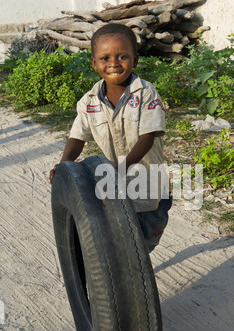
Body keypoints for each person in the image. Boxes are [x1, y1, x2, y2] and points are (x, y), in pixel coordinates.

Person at [49, 23, 172, 252]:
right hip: (115, 186)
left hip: (149, 185)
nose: (113, 63)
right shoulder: (89, 101)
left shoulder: (146, 93)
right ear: (94, 63)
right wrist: (64, 165)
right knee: (120, 244)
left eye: (122, 56)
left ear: (135, 60)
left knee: (145, 242)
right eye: (105, 58)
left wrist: (121, 169)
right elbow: (77, 137)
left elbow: (147, 137)